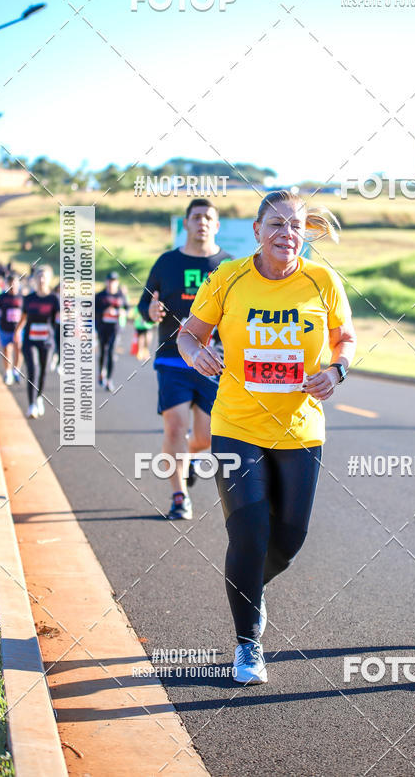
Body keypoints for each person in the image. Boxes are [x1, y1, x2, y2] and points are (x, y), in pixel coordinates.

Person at [177, 190, 357, 685]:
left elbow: (346, 339)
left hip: (300, 428)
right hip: (236, 425)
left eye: (296, 225)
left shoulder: (323, 281)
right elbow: (188, 333)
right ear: (257, 231)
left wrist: (337, 371)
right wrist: (196, 355)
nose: (287, 234)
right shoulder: (228, 277)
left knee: (290, 538)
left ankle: (248, 587)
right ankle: (247, 643)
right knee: (250, 531)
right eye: (276, 224)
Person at [138, 199, 231, 520]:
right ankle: (180, 497)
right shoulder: (167, 262)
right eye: (196, 217)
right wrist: (149, 311)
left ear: (216, 226)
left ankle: (189, 457)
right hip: (172, 358)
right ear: (186, 224)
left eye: (208, 218)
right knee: (175, 427)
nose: (202, 222)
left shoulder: (228, 266)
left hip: (212, 362)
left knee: (204, 437)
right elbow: (145, 303)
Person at [14, 265, 60, 419]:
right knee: (33, 370)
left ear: (49, 279)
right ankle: (32, 405)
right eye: (39, 277)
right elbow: (23, 317)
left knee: (43, 373)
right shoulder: (29, 298)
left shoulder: (54, 299)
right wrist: (17, 331)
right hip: (30, 340)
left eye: (44, 277)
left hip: (47, 341)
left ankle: (39, 396)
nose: (41, 280)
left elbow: (60, 318)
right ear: (34, 279)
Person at [95, 272, 129, 391]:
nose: (111, 283)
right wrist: (105, 311)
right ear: (106, 282)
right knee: (103, 351)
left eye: (114, 281)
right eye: (110, 281)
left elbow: (127, 308)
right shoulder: (100, 295)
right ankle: (101, 373)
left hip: (115, 329)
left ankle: (109, 379)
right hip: (102, 328)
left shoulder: (120, 295)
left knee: (111, 352)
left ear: (117, 282)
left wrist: (122, 312)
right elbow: (93, 310)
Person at [0, 272, 24, 384]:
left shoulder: (22, 297)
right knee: (7, 350)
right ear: (8, 284)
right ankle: (8, 373)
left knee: (18, 349)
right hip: (5, 329)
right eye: (11, 283)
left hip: (18, 330)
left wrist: (22, 329)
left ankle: (16, 371)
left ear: (18, 284)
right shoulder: (2, 297)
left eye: (15, 283)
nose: (13, 285)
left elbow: (25, 315)